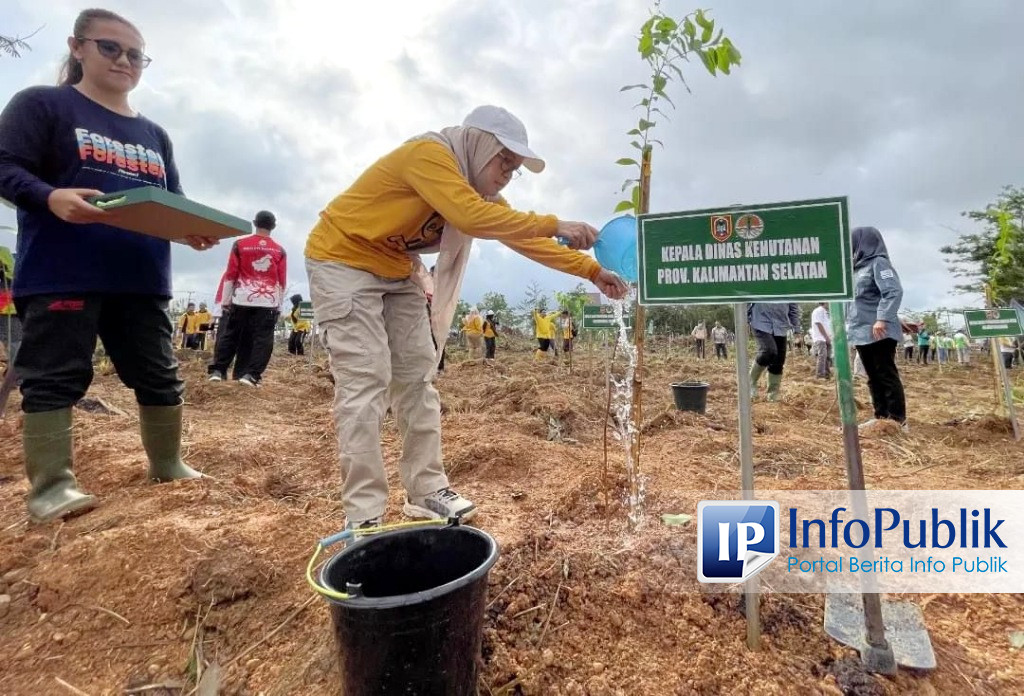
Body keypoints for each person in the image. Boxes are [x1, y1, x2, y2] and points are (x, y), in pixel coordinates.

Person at [304, 105, 627, 529]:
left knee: (417, 376)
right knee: (367, 379)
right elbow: (471, 217)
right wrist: (554, 223)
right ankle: (364, 514)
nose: (508, 173)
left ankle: (425, 489)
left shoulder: (480, 195)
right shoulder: (429, 155)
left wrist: (593, 271)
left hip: (397, 267)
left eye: (515, 167)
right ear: (478, 144)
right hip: (342, 259)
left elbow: (518, 236)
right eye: (504, 160)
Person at [0, 9, 215, 522]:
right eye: (110, 48)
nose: (124, 61)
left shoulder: (154, 134)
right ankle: (51, 487)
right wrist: (49, 197)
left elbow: (172, 198)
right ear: (78, 48)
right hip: (64, 270)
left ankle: (168, 463)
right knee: (55, 376)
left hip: (141, 277)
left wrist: (190, 227)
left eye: (135, 54)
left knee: (158, 374)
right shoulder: (43, 105)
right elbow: (5, 166)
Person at [207, 210, 286, 387]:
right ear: (273, 226)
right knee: (262, 339)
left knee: (230, 334)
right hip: (267, 301)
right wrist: (279, 305)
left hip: (242, 298)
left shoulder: (240, 245)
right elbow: (281, 280)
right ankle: (251, 375)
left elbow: (231, 274)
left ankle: (218, 370)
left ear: (254, 223)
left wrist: (225, 300)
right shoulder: (280, 250)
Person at [846, 227, 907, 431]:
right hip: (860, 331)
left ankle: (897, 420)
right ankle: (881, 417)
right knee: (872, 376)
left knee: (885, 374)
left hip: (878, 330)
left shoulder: (878, 263)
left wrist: (882, 318)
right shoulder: (854, 269)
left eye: (854, 242)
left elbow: (893, 291)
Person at [748, 303, 800, 401]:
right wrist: (746, 318)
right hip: (760, 322)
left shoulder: (789, 288)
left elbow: (793, 307)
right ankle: (750, 383)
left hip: (781, 324)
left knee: (779, 360)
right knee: (768, 351)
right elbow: (746, 298)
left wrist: (797, 329)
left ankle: (773, 394)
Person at [810, 302, 832, 379]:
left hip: (827, 338)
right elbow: (819, 324)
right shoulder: (818, 311)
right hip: (820, 338)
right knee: (822, 356)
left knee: (827, 357)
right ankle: (820, 376)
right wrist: (826, 337)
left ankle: (827, 374)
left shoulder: (826, 313)